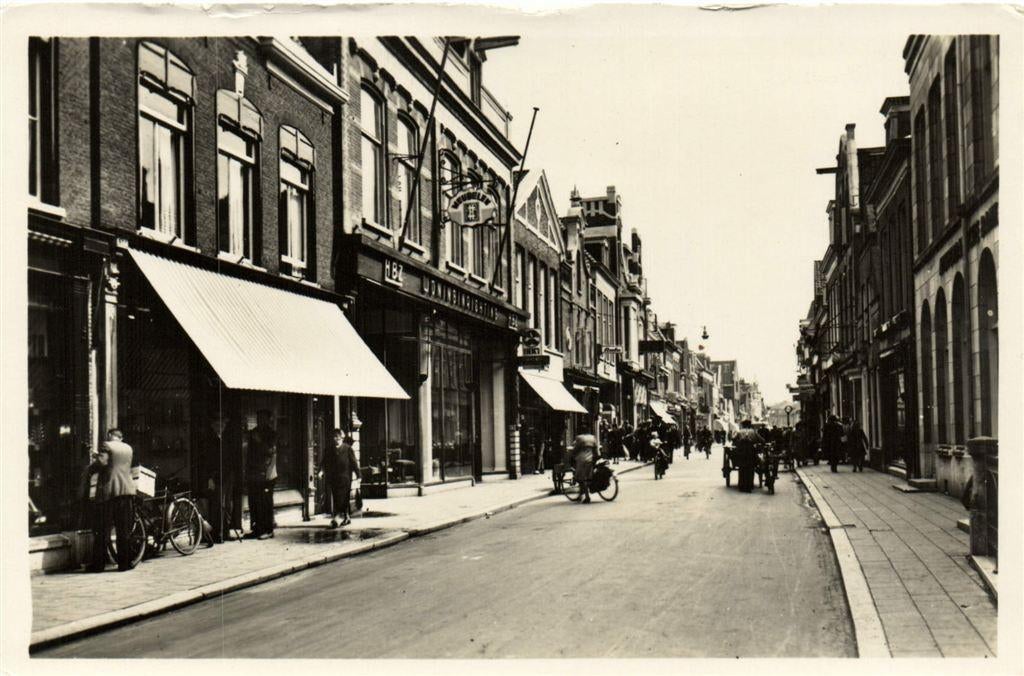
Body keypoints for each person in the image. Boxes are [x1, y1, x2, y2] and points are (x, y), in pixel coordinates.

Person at [88, 428, 137, 572]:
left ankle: (98, 565)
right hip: (127, 490)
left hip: (110, 492)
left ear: (110, 436)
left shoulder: (107, 445)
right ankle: (125, 564)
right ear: (120, 437)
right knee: (124, 530)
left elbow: (103, 464)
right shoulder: (128, 448)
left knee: (102, 530)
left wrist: (95, 458)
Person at [246, 410, 278, 539]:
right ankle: (257, 528)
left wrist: (259, 442)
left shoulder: (272, 434)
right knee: (253, 501)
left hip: (266, 473)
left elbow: (271, 452)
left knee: (265, 501)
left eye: (263, 418)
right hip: (253, 471)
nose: (260, 420)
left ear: (268, 419)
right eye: (259, 418)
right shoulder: (253, 432)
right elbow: (249, 452)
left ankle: (268, 529)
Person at [323, 430, 360, 527]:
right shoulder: (329, 449)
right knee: (336, 497)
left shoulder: (348, 449)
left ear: (341, 438)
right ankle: (346, 517)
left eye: (338, 438)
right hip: (334, 478)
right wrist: (321, 471)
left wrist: (359, 476)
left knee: (343, 498)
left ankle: (337, 518)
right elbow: (324, 461)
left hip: (345, 478)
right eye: (334, 437)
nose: (336, 439)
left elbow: (354, 463)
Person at [731, 420, 761, 493]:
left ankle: (741, 486)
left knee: (742, 469)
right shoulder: (753, 432)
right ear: (750, 425)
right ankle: (750, 485)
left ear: (743, 425)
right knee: (751, 469)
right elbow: (761, 440)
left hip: (741, 453)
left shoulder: (739, 432)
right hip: (751, 453)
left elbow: (733, 439)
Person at [572, 433, 598, 503]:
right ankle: (580, 494)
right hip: (591, 458)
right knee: (588, 477)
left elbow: (576, 449)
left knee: (582, 478)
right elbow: (596, 448)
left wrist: (572, 455)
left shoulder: (580, 438)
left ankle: (587, 497)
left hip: (582, 460)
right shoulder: (592, 437)